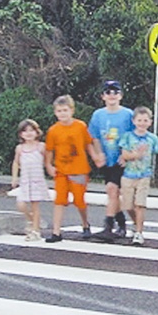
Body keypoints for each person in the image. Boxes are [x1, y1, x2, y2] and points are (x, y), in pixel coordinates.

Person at [119, 106, 158, 245]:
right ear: (134, 121)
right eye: (139, 120)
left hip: (144, 176)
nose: (142, 123)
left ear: (150, 122)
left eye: (145, 120)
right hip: (128, 176)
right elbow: (124, 154)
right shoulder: (128, 137)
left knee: (140, 205)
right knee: (128, 206)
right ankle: (137, 225)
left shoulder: (152, 138)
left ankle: (139, 233)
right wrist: (137, 154)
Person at [44, 95, 100, 243]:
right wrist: (49, 165)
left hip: (79, 169)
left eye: (65, 110)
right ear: (55, 112)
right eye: (59, 111)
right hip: (61, 170)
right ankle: (56, 232)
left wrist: (95, 156)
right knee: (59, 200)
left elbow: (88, 144)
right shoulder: (53, 130)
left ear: (72, 110)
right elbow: (49, 150)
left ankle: (85, 223)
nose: (62, 113)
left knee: (79, 201)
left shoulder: (80, 126)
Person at [88, 80, 134, 241]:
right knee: (113, 192)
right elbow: (94, 137)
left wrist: (127, 155)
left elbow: (134, 136)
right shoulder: (98, 115)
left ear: (121, 95)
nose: (112, 95)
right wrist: (98, 154)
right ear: (103, 96)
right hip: (107, 158)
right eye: (108, 92)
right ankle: (121, 224)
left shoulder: (128, 114)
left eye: (115, 92)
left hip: (121, 159)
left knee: (112, 189)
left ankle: (109, 225)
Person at [11, 118, 51, 241]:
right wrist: (14, 177)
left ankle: (35, 231)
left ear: (37, 132)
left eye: (31, 130)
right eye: (25, 131)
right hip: (25, 181)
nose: (28, 133)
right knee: (21, 204)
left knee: (35, 205)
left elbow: (47, 161)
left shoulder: (41, 147)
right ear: (21, 134)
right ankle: (32, 220)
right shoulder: (20, 148)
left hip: (37, 180)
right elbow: (16, 163)